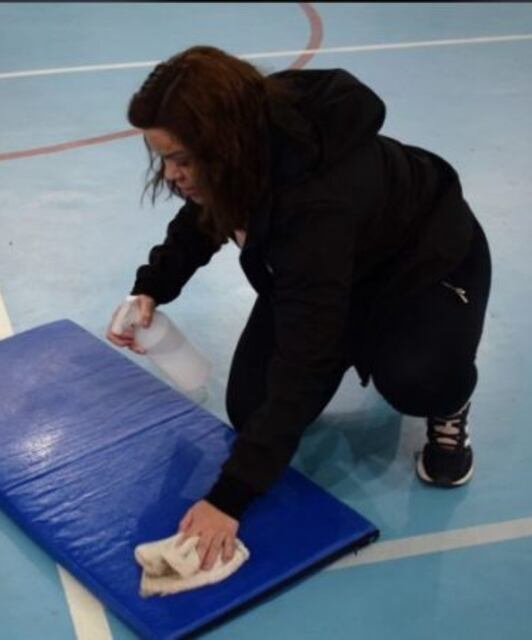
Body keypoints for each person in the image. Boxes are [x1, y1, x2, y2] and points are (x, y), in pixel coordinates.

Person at [107, 46, 491, 574]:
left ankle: (450, 404)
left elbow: (306, 356)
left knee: (416, 380)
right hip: (330, 269)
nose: (172, 176)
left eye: (182, 159)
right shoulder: (243, 148)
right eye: (163, 158)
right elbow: (205, 216)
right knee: (251, 408)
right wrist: (152, 287)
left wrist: (229, 499)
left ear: (225, 145)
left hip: (421, 266)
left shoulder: (315, 206)